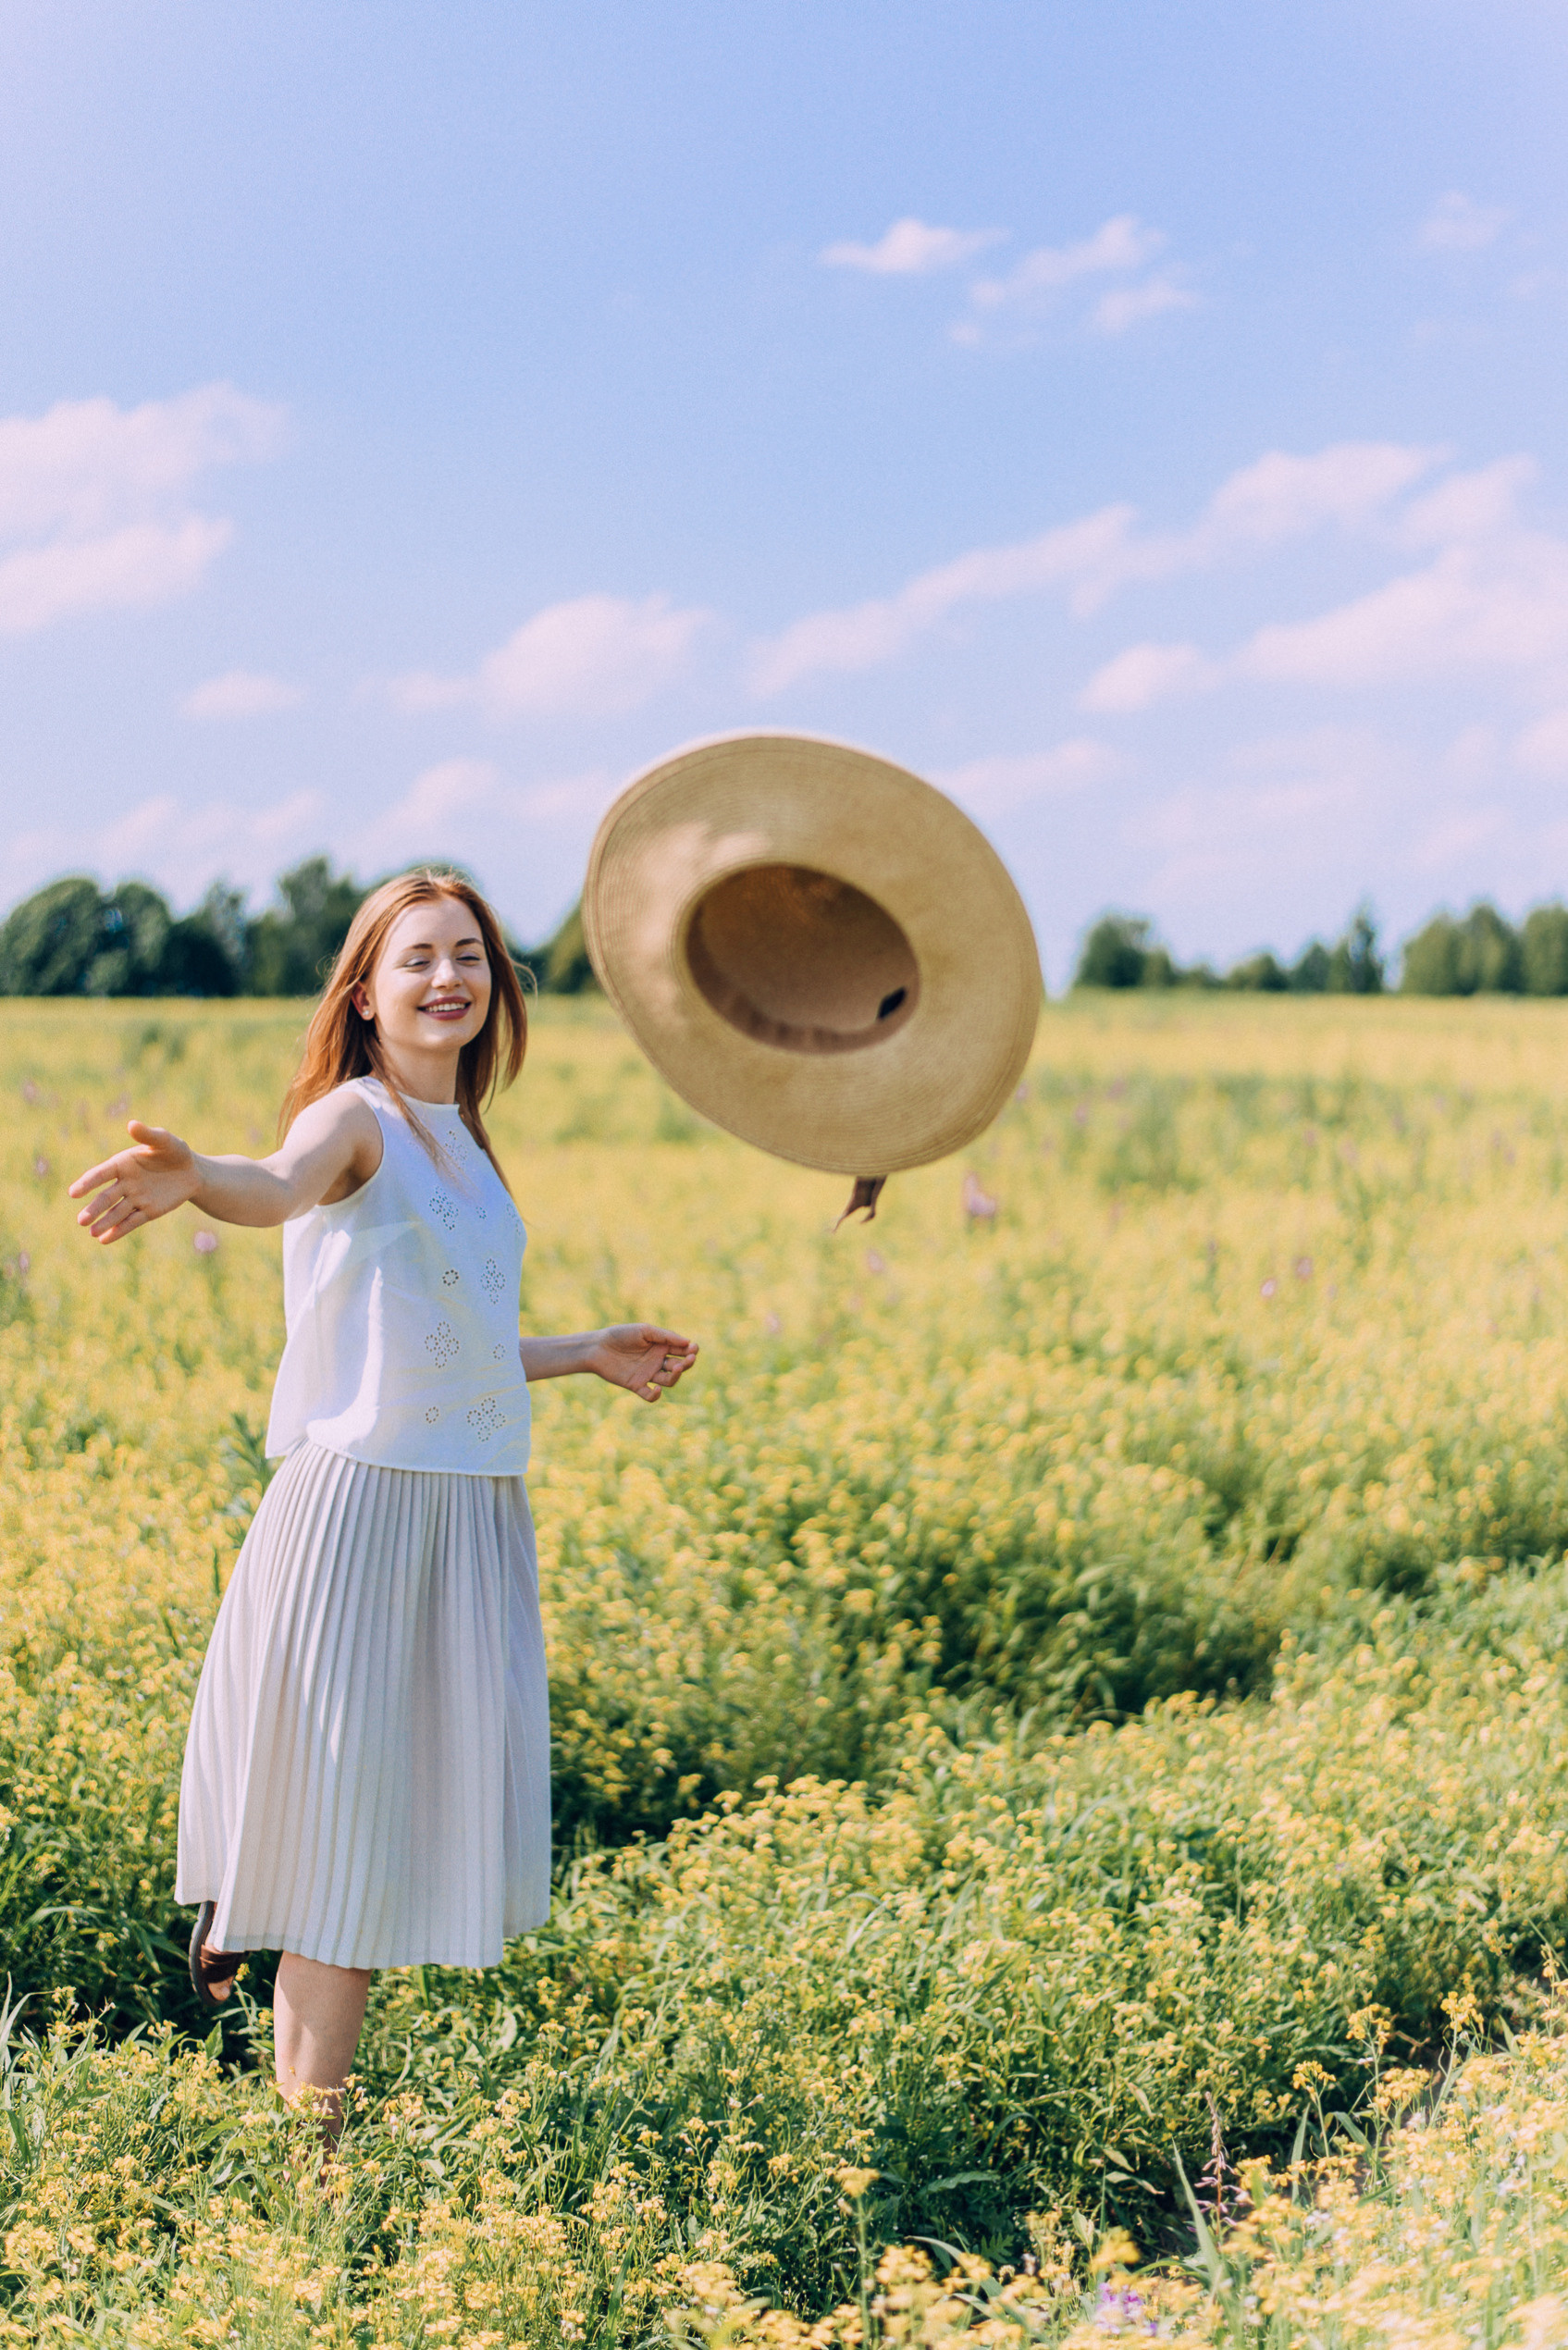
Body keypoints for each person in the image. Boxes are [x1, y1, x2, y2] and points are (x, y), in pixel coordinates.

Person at [68, 868, 698, 2128]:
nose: (448, 977)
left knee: (383, 1840)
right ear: (364, 992)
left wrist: (581, 1351)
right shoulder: (352, 1118)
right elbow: (273, 1183)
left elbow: (441, 1341)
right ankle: (318, 2182)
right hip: (362, 1517)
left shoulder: (464, 1139)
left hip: (462, 1515)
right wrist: (198, 1179)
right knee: (349, 1878)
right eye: (417, 958)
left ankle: (258, 1903)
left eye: (469, 955)